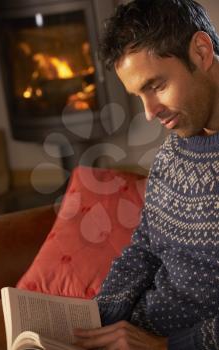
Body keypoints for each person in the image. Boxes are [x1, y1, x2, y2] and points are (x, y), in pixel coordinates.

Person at [74, 0, 219, 349]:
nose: (150, 113)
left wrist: (163, 347)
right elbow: (146, 247)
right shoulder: (174, 152)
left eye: (155, 86)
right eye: (139, 95)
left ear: (201, 52)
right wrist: (96, 320)